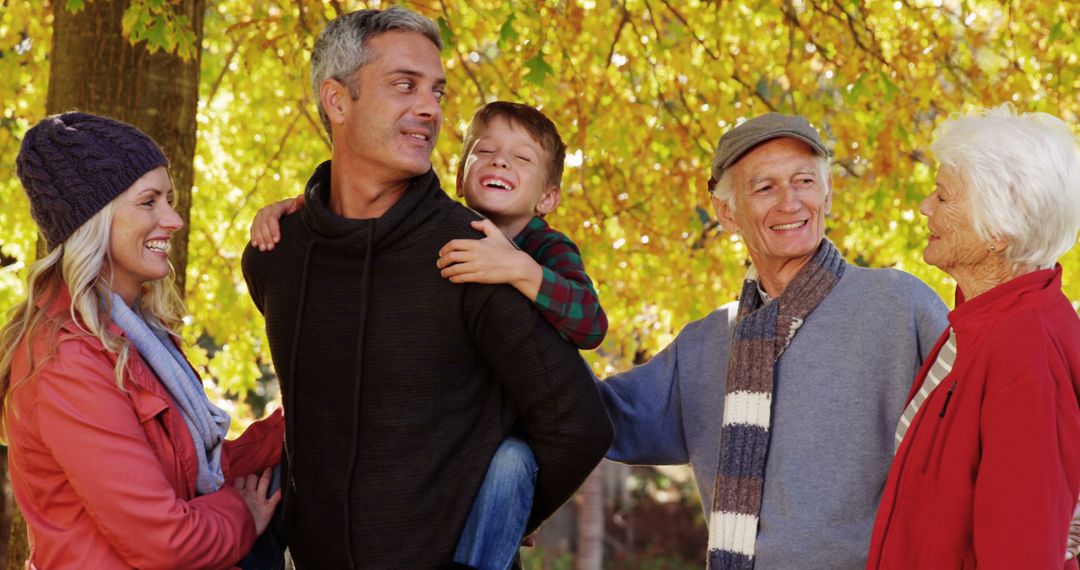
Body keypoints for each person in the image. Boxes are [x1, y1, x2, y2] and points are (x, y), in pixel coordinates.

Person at [240, 8, 613, 569]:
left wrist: (504, 515)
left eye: (436, 91)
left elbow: (579, 425)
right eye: (404, 86)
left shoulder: (472, 256)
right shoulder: (277, 254)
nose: (430, 109)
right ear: (337, 100)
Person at [596, 113, 949, 569]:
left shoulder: (899, 303)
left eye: (804, 180)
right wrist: (526, 295)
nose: (790, 202)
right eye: (765, 188)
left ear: (826, 193)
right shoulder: (704, 344)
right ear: (727, 212)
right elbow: (587, 417)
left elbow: (991, 429)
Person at [0, 112, 284, 569]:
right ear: (94, 220)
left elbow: (198, 472)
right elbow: (165, 540)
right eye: (149, 202)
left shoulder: (135, 337)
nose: (172, 219)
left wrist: (299, 426)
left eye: (168, 200)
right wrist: (242, 514)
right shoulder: (67, 357)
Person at [866, 105, 1080, 568]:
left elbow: (1022, 552)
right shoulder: (979, 321)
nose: (925, 206)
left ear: (997, 232)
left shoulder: (1026, 347)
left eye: (943, 197)